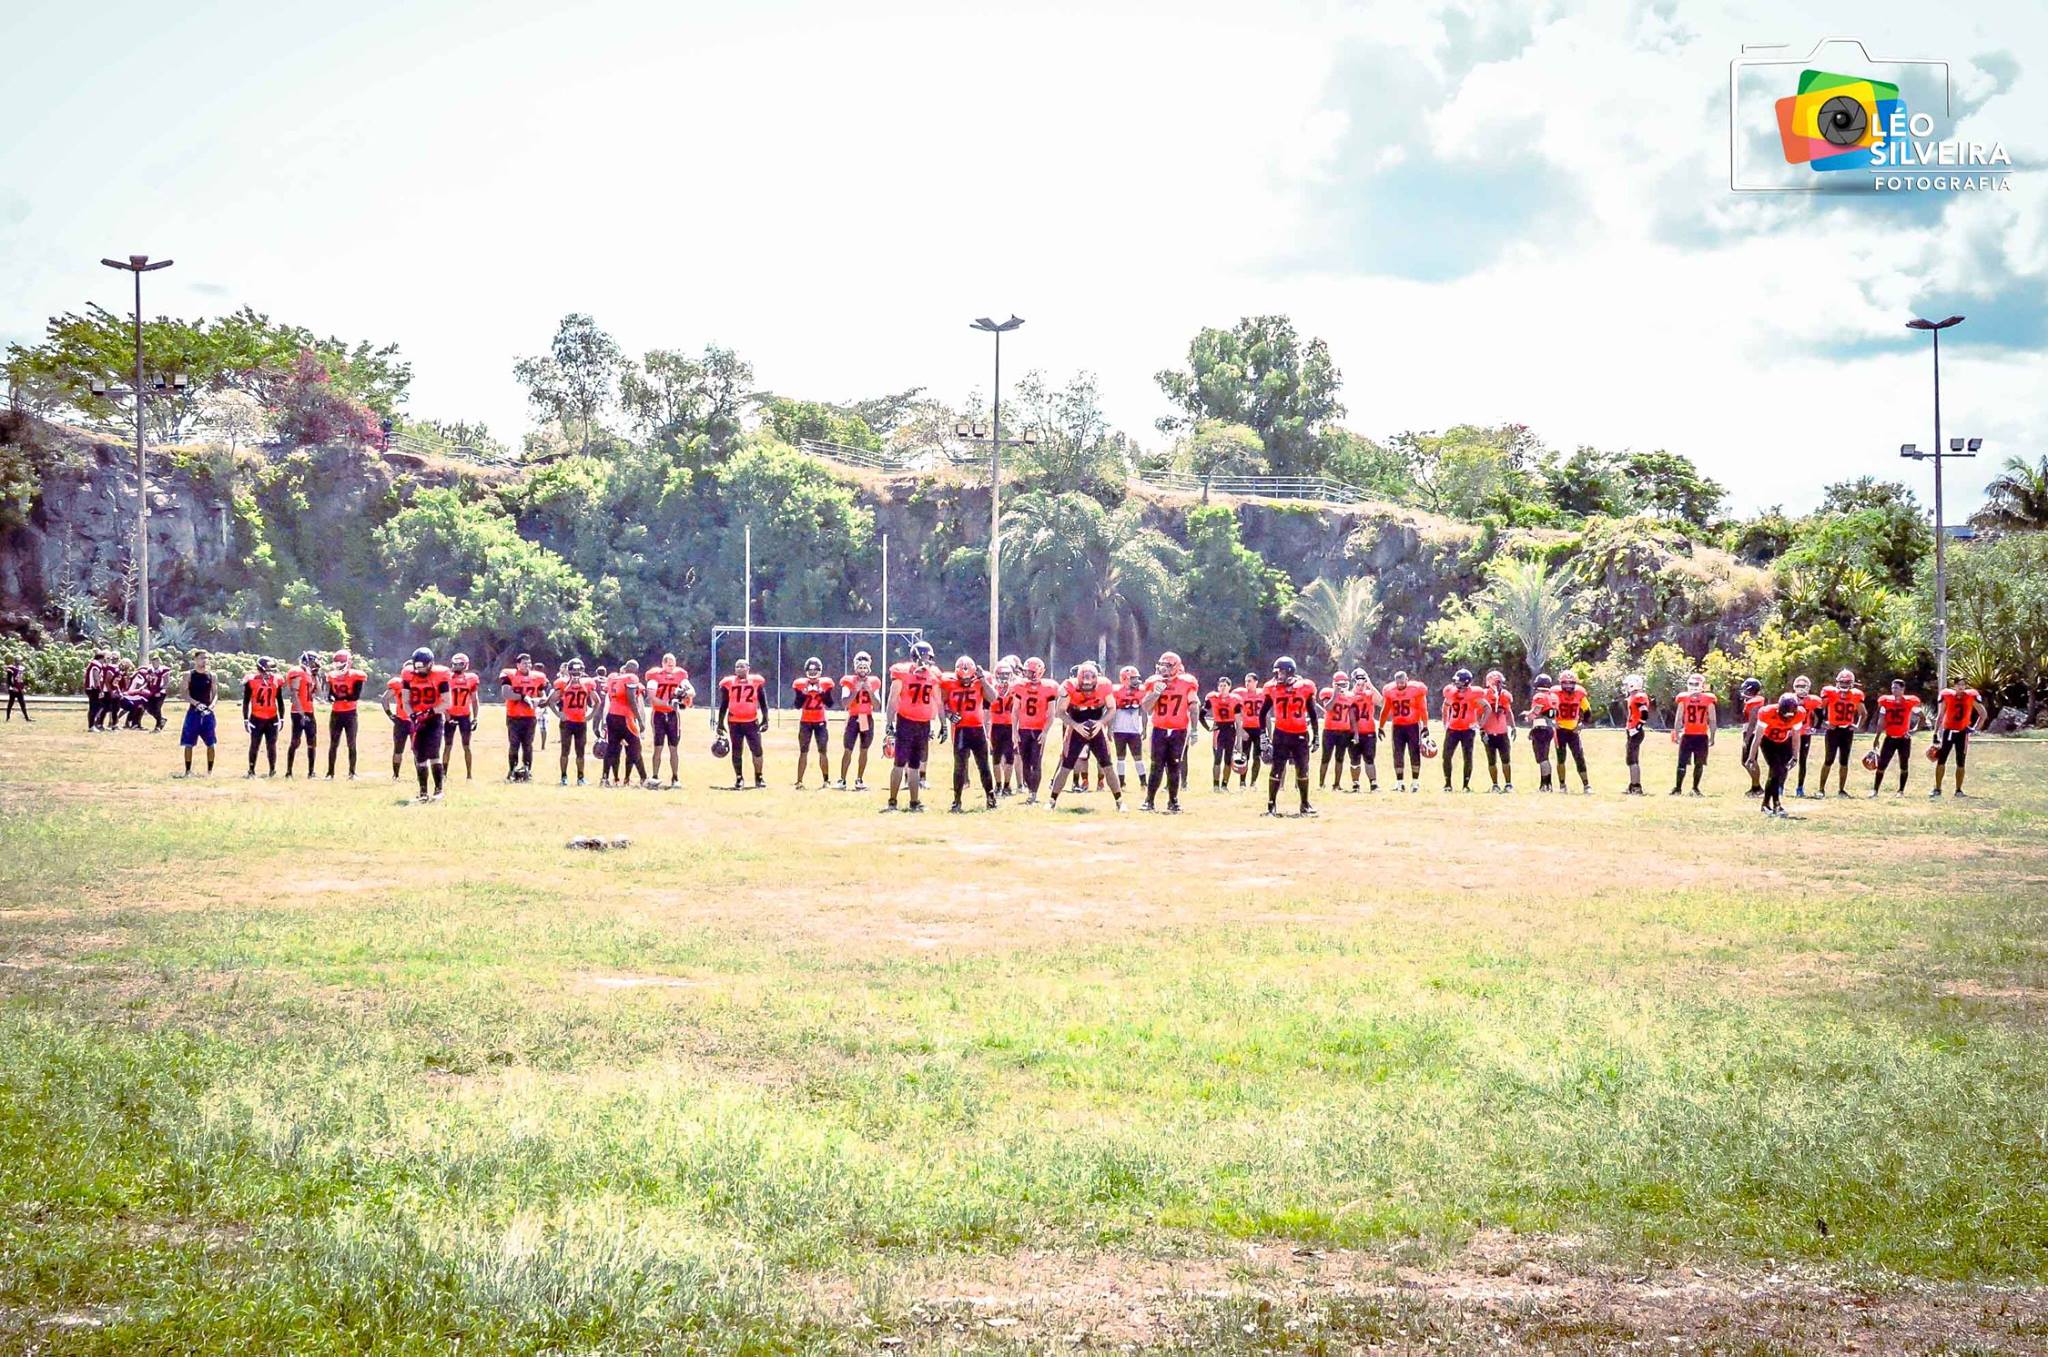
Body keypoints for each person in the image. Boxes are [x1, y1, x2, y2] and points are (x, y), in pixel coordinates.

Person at [1045, 661, 1123, 811]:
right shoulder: (1069, 686)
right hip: (1076, 727)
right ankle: (1052, 801)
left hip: (1096, 728)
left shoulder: (1104, 685)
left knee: (1108, 765)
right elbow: (1059, 712)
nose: (1087, 691)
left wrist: (1100, 723)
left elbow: (1112, 708)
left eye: (1090, 687)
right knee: (1066, 766)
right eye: (1084, 687)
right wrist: (1075, 726)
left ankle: (1119, 802)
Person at [882, 643, 943, 812]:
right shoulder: (902, 672)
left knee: (915, 765)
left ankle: (914, 802)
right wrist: (889, 722)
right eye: (925, 657)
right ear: (916, 656)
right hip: (906, 722)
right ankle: (892, 801)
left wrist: (943, 723)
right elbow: (893, 699)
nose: (928, 661)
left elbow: (938, 701)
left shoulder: (934, 675)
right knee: (899, 763)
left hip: (923, 724)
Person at [1258, 655, 1320, 817]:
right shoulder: (1272, 688)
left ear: (1290, 672)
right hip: (1281, 734)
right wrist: (1263, 735)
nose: (1278, 676)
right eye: (1277, 673)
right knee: (1276, 769)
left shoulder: (1304, 687)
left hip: (1300, 734)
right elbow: (1263, 713)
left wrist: (1316, 735)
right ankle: (1271, 806)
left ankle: (1304, 804)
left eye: (1281, 673)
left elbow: (1313, 714)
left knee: (1303, 770)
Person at [1140, 651, 1200, 813]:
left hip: (1178, 731)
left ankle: (1173, 801)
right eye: (1162, 665)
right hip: (1159, 729)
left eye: (1167, 666)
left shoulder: (1187, 683)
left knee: (1174, 765)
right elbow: (1146, 707)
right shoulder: (1154, 682)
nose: (1163, 669)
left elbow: (1194, 707)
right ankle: (1149, 801)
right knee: (1156, 766)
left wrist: (1194, 729)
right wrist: (1156, 693)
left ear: (1176, 667)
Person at [939, 656, 998, 812]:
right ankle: (957, 801)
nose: (965, 681)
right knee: (959, 767)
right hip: (961, 730)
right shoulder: (948, 682)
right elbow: (941, 704)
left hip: (977, 728)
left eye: (968, 678)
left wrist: (983, 680)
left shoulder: (980, 681)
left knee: (984, 766)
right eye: (962, 678)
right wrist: (949, 714)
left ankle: (990, 797)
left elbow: (993, 698)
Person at [396, 647, 453, 801]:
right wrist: (412, 714)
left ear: (431, 664)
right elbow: (405, 701)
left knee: (434, 753)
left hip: (433, 718)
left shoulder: (440, 675)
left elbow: (447, 702)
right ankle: (423, 792)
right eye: (417, 667)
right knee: (419, 755)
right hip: (417, 718)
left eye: (423, 666)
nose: (420, 670)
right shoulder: (408, 674)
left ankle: (438, 790)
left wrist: (430, 712)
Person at [1749, 693, 1807, 817]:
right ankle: (1776, 804)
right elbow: (1758, 737)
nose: (1787, 717)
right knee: (1776, 770)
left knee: (1779, 773)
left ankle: (1765, 804)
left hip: (1784, 741)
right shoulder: (1767, 712)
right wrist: (1751, 757)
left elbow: (1796, 736)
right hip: (1768, 741)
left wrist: (1795, 756)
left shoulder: (1800, 714)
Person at [1010, 656, 1058, 804]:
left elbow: (1051, 714)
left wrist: (1045, 732)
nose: (1027, 675)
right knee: (1025, 761)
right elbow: (1015, 710)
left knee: (1036, 762)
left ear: (1038, 672)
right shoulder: (1020, 686)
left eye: (1031, 672)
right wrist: (1014, 731)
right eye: (1027, 672)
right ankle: (1030, 791)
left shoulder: (1048, 688)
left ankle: (1034, 793)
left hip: (1038, 730)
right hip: (1024, 729)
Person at [715, 658, 769, 789]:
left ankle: (759, 777)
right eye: (737, 667)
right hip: (734, 722)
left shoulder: (756, 681)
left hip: (752, 721)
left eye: (742, 666)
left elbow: (763, 702)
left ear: (748, 668)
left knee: (757, 750)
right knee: (736, 750)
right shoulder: (728, 683)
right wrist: (720, 723)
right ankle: (739, 778)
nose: (739, 669)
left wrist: (765, 719)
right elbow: (724, 704)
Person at [1814, 669, 1867, 798]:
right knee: (1829, 760)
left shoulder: (1856, 695)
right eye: (1842, 682)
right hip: (1833, 730)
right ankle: (1821, 789)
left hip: (1847, 731)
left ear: (1852, 683)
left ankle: (1841, 790)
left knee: (1844, 761)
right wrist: (1824, 723)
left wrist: (1857, 726)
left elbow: (1863, 713)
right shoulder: (1830, 692)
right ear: (1837, 682)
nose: (1844, 684)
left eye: (1847, 682)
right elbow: (1819, 708)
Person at [1930, 679, 1987, 798]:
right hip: (1948, 731)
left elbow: (1983, 714)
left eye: (1963, 685)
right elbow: (1940, 715)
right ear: (1954, 686)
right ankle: (1937, 788)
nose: (1961, 687)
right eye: (1958, 685)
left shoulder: (1971, 696)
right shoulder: (1947, 695)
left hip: (1962, 732)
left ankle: (1958, 790)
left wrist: (1974, 729)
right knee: (1941, 760)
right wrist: (1935, 734)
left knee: (1960, 762)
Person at [646, 653, 694, 788]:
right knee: (658, 747)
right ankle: (655, 776)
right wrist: (668, 704)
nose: (671, 667)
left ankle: (675, 777)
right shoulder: (655, 676)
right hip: (659, 714)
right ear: (663, 664)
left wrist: (684, 694)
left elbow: (692, 691)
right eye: (668, 664)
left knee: (674, 748)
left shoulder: (680, 675)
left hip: (673, 715)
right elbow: (652, 697)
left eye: (673, 664)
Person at [499, 653, 549, 782]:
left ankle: (527, 770)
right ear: (518, 665)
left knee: (528, 745)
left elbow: (543, 696)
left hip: (529, 717)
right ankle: (512, 770)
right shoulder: (510, 675)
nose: (527, 665)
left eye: (529, 663)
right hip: (514, 716)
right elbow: (506, 694)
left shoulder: (538, 677)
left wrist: (538, 700)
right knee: (514, 744)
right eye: (524, 663)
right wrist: (523, 697)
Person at [1868, 679, 1922, 797]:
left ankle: (1901, 791)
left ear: (1903, 689)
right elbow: (1881, 722)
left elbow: (1921, 717)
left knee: (1904, 765)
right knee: (1882, 765)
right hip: (1890, 738)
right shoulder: (1885, 701)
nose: (1894, 690)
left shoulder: (1909, 701)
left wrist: (1914, 731)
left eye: (1896, 688)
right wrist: (1877, 737)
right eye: (1892, 688)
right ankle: (1875, 790)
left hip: (1904, 739)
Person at [1379, 669, 1429, 794]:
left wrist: (1425, 726)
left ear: (1407, 680)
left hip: (1412, 726)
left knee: (1414, 753)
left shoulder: (1416, 690)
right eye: (1398, 683)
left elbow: (1423, 709)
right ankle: (1400, 783)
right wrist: (1381, 727)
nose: (1400, 685)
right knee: (1398, 754)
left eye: (1402, 682)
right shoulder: (1390, 691)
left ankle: (1415, 782)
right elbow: (1385, 710)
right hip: (1397, 727)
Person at [601, 660, 650, 787]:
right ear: (635, 670)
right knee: (635, 747)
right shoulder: (631, 678)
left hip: (612, 715)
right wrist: (639, 719)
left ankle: (605, 778)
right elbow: (631, 699)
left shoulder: (614, 678)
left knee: (612, 748)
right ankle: (644, 778)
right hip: (625, 717)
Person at [790, 656, 836, 789]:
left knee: (823, 751)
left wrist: (821, 693)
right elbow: (797, 705)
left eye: (815, 670)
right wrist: (804, 694)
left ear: (820, 671)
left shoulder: (826, 684)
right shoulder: (800, 684)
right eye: (810, 670)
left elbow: (830, 703)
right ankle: (799, 781)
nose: (813, 673)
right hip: (806, 721)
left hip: (820, 721)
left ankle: (826, 780)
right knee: (803, 751)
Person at [838, 652, 882, 791]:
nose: (862, 670)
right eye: (860, 666)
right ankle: (842, 780)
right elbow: (845, 703)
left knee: (864, 750)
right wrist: (855, 692)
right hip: (854, 717)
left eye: (865, 666)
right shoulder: (849, 681)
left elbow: (877, 705)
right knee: (848, 749)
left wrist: (869, 692)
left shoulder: (874, 682)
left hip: (865, 718)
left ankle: (859, 779)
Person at [1439, 668, 1484, 793]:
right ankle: (1447, 784)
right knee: (1446, 757)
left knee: (1467, 757)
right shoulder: (1450, 692)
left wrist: (1480, 724)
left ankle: (1466, 785)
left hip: (1467, 730)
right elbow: (1445, 705)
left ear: (1466, 682)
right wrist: (1445, 722)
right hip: (1453, 729)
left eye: (1459, 681)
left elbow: (1487, 707)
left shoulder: (1474, 693)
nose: (1456, 683)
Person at [1671, 673, 1717, 796]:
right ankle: (1691, 788)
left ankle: (1680, 788)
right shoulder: (1708, 699)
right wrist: (1712, 736)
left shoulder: (1684, 698)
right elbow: (1712, 720)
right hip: (1699, 735)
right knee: (1694, 763)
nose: (1693, 686)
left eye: (1695, 684)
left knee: (1687, 763)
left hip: (1691, 735)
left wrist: (1677, 732)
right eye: (1691, 684)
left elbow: (1678, 718)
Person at [553, 658, 597, 785]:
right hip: (567, 722)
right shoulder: (562, 683)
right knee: (565, 751)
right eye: (574, 670)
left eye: (578, 670)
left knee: (580, 752)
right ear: (569, 670)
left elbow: (597, 701)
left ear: (582, 670)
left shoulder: (587, 683)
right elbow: (551, 700)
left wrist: (590, 716)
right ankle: (563, 777)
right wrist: (559, 713)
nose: (576, 672)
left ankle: (580, 777)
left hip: (580, 722)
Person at [174, 651, 218, 776]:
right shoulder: (189, 675)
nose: (204, 661)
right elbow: (184, 694)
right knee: (189, 743)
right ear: (195, 660)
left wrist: (212, 706)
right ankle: (188, 771)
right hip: (193, 713)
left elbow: (215, 693)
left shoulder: (212, 676)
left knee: (211, 743)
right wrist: (196, 703)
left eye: (206, 658)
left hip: (208, 714)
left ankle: (209, 771)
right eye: (202, 658)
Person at [324, 650, 366, 778]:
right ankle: (330, 773)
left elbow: (355, 696)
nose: (339, 667)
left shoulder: (356, 676)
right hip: (336, 713)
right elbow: (330, 693)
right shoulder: (332, 676)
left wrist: (338, 698)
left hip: (350, 714)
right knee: (333, 743)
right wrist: (331, 697)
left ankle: (352, 772)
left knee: (351, 743)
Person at [241, 656, 285, 778]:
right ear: (261, 668)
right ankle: (251, 770)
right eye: (268, 668)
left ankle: (272, 770)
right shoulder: (251, 680)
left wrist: (282, 718)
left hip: (272, 717)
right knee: (254, 744)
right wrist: (245, 719)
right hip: (256, 717)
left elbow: (280, 700)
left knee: (272, 745)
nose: (270, 672)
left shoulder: (276, 680)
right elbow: (246, 701)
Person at [1551, 670, 1593, 794]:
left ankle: (1586, 785)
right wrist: (1552, 722)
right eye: (1565, 683)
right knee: (1561, 758)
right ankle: (1562, 786)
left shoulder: (1580, 693)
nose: (1568, 685)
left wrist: (1581, 724)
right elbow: (1548, 709)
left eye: (1571, 683)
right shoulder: (1554, 693)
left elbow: (1588, 712)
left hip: (1573, 731)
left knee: (1579, 757)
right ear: (1561, 683)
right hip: (1560, 731)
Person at [283, 650, 321, 779]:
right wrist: (301, 713)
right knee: (295, 741)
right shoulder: (297, 672)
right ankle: (289, 772)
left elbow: (318, 692)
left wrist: (316, 676)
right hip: (298, 712)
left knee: (312, 742)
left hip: (310, 711)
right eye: (314, 661)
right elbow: (294, 695)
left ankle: (311, 772)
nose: (316, 664)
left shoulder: (309, 674)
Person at [1109, 665, 1148, 790]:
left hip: (1134, 730)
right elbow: (1112, 711)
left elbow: (1144, 712)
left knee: (1138, 757)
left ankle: (1143, 783)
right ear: (1125, 679)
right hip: (1119, 730)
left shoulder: (1141, 692)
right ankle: (1121, 783)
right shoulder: (1116, 691)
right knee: (1120, 757)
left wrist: (1145, 728)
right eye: (1133, 678)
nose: (1136, 681)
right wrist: (1110, 728)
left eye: (1136, 678)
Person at [444, 654, 480, 780]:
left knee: (466, 746)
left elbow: (475, 700)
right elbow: (441, 699)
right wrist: (447, 716)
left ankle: (469, 775)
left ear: (465, 665)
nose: (457, 666)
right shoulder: (447, 678)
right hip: (451, 715)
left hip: (465, 715)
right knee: (448, 746)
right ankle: (443, 774)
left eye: (460, 664)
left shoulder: (471, 678)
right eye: (455, 664)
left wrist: (475, 718)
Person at [1203, 673, 1241, 791]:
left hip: (1230, 729)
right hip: (1218, 729)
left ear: (1229, 687)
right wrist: (1207, 727)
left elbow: (1239, 721)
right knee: (1217, 758)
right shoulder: (1212, 698)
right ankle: (1215, 785)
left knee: (1228, 759)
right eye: (1220, 686)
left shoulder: (1235, 700)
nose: (1222, 688)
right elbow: (1201, 714)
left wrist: (1239, 740)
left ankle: (1224, 785)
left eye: (1224, 685)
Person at [1479, 669, 1515, 792]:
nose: (1498, 685)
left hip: (1502, 732)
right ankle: (1495, 784)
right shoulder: (1483, 695)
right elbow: (1478, 714)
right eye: (1496, 682)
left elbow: (1508, 712)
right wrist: (1481, 730)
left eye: (1500, 682)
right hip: (1488, 732)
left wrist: (1513, 726)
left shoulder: (1504, 695)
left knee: (1506, 759)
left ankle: (1508, 783)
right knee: (1492, 760)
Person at [1317, 671, 1354, 790]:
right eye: (1339, 684)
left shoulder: (1350, 696)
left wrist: (1355, 733)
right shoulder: (1327, 693)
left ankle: (1337, 784)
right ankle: (1321, 784)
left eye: (1344, 684)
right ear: (1334, 684)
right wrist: (1335, 695)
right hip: (1330, 730)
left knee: (1340, 758)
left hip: (1344, 731)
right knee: (1325, 757)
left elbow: (1352, 715)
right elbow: (1327, 708)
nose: (1342, 687)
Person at [988, 656, 1019, 796]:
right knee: (998, 756)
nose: (1004, 677)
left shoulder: (1013, 688)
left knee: (1008, 756)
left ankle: (1004, 785)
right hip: (997, 725)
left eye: (1007, 674)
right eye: (1002, 674)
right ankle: (1001, 785)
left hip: (1007, 726)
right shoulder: (1013, 688)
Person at [1789, 676, 1825, 797]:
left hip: (1804, 733)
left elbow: (1820, 716)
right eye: (1798, 686)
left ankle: (1800, 787)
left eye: (1803, 686)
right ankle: (1780, 786)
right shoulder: (1789, 699)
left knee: (1802, 761)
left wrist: (1815, 728)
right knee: (1784, 759)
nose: (1800, 689)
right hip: (1790, 733)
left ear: (1808, 687)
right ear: (1794, 687)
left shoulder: (1813, 700)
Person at [1348, 668, 1381, 793]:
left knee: (1369, 758)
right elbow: (1348, 700)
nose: (1361, 685)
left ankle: (1373, 783)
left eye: (1363, 680)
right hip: (1353, 732)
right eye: (1358, 680)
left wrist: (1370, 684)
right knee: (1354, 760)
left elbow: (1380, 701)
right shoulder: (1350, 695)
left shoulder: (1369, 693)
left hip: (1369, 731)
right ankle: (1355, 784)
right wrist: (1356, 688)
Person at [1524, 675, 1558, 791]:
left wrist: (1528, 716)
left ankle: (1545, 785)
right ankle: (1547, 784)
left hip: (1541, 728)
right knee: (1545, 757)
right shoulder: (1553, 696)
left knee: (1542, 758)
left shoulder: (1539, 696)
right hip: (1549, 728)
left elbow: (1537, 710)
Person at [1622, 674, 1652, 795]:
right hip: (1633, 730)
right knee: (1631, 759)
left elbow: (1644, 713)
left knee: (1632, 760)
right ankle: (1632, 785)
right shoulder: (1634, 696)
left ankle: (1636, 786)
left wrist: (1637, 727)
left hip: (1635, 731)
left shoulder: (1638, 696)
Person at [1737, 677, 1767, 797]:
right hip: (1753, 732)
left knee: (1749, 760)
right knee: (1746, 761)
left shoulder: (1755, 702)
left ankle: (1757, 787)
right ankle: (1756, 786)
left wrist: (1747, 738)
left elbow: (1753, 722)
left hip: (1754, 733)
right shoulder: (1752, 701)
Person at [1234, 671, 1265, 786]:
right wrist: (1241, 731)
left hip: (1258, 728)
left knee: (1257, 757)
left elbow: (1266, 714)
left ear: (1256, 682)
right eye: (1246, 681)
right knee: (1244, 756)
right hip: (1246, 728)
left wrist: (1267, 733)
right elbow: (1235, 712)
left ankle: (1253, 782)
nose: (1247, 683)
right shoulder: (1240, 693)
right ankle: (1242, 782)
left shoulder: (1262, 693)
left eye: (1250, 681)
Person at [84, 648, 108, 730]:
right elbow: (96, 677)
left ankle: (94, 724)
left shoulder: (93, 664)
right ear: (101, 658)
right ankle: (92, 725)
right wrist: (99, 689)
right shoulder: (96, 665)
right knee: (94, 707)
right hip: (93, 688)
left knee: (99, 706)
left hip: (91, 688)